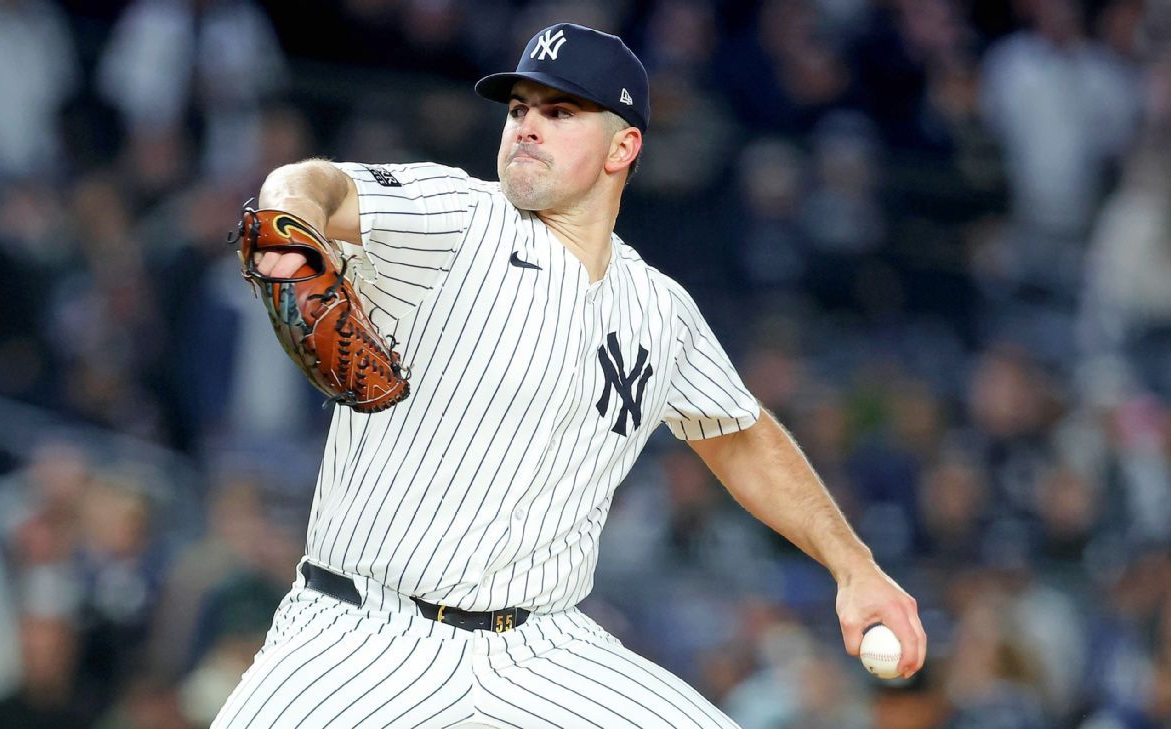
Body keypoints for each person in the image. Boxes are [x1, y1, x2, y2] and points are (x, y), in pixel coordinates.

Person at [214, 23, 926, 728]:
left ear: (624, 146)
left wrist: (854, 566)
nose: (527, 126)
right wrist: (290, 218)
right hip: (360, 634)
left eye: (558, 112)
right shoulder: (460, 219)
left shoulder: (658, 309)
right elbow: (312, 184)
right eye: (519, 108)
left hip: (536, 649)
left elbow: (739, 436)